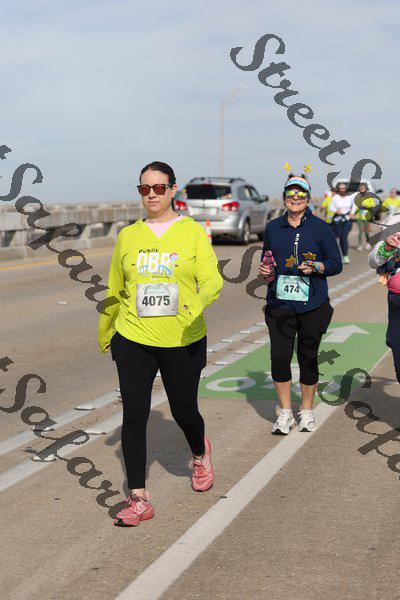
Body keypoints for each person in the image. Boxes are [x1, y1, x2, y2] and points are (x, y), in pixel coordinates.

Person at [98, 161, 223, 527]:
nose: (151, 195)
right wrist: (107, 330)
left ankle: (199, 452)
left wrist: (196, 303)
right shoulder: (128, 236)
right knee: (134, 415)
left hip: (182, 337)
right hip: (133, 337)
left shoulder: (192, 232)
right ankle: (138, 497)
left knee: (184, 410)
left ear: (172, 190)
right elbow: (115, 287)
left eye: (158, 188)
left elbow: (212, 280)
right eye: (144, 189)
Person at [258, 172, 342, 434]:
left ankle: (306, 410)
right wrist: (266, 271)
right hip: (279, 303)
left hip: (312, 303)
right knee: (279, 357)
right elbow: (267, 259)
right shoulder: (273, 227)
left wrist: (317, 266)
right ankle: (285, 412)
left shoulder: (320, 227)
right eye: (291, 193)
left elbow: (336, 263)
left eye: (301, 193)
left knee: (307, 357)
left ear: (308, 198)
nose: (295, 198)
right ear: (284, 197)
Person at [369, 209, 400, 384]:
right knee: (395, 342)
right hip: (397, 300)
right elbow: (373, 261)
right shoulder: (394, 219)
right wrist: (387, 248)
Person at [329, 182, 357, 264]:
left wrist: (352, 213)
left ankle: (345, 256)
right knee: (335, 238)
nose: (342, 190)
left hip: (347, 220)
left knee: (343, 237)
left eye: (343, 188)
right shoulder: (335, 198)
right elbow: (331, 207)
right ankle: (336, 256)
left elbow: (355, 205)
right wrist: (336, 210)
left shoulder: (350, 197)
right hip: (337, 220)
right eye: (340, 189)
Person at [355, 182, 372, 251]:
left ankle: (368, 243)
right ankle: (360, 245)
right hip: (358, 217)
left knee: (366, 232)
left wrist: (365, 205)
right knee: (360, 231)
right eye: (360, 189)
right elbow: (354, 206)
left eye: (363, 189)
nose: (362, 190)